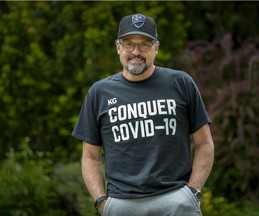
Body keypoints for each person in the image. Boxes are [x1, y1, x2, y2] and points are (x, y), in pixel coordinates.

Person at [72, 13, 214, 216]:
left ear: (156, 48)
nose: (136, 52)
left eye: (145, 44)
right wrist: (102, 202)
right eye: (129, 44)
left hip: (176, 201)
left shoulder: (181, 83)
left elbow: (205, 144)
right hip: (122, 205)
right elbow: (90, 156)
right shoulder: (99, 93)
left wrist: (192, 192)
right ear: (118, 47)